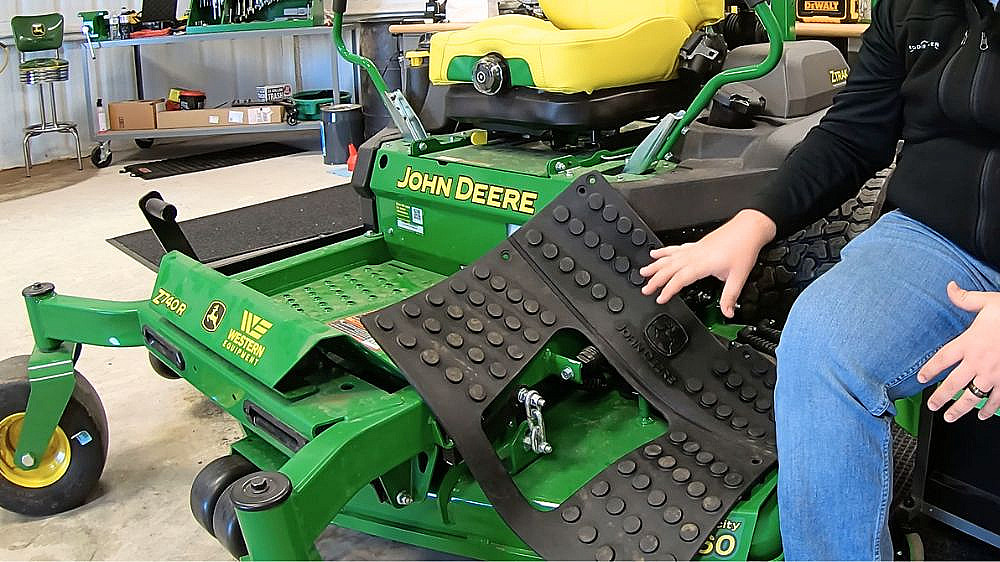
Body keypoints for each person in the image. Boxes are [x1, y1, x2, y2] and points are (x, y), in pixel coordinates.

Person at [639, 0, 1000, 558]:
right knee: (821, 341)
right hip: (935, 239)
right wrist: (753, 223)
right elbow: (854, 132)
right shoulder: (911, 7)